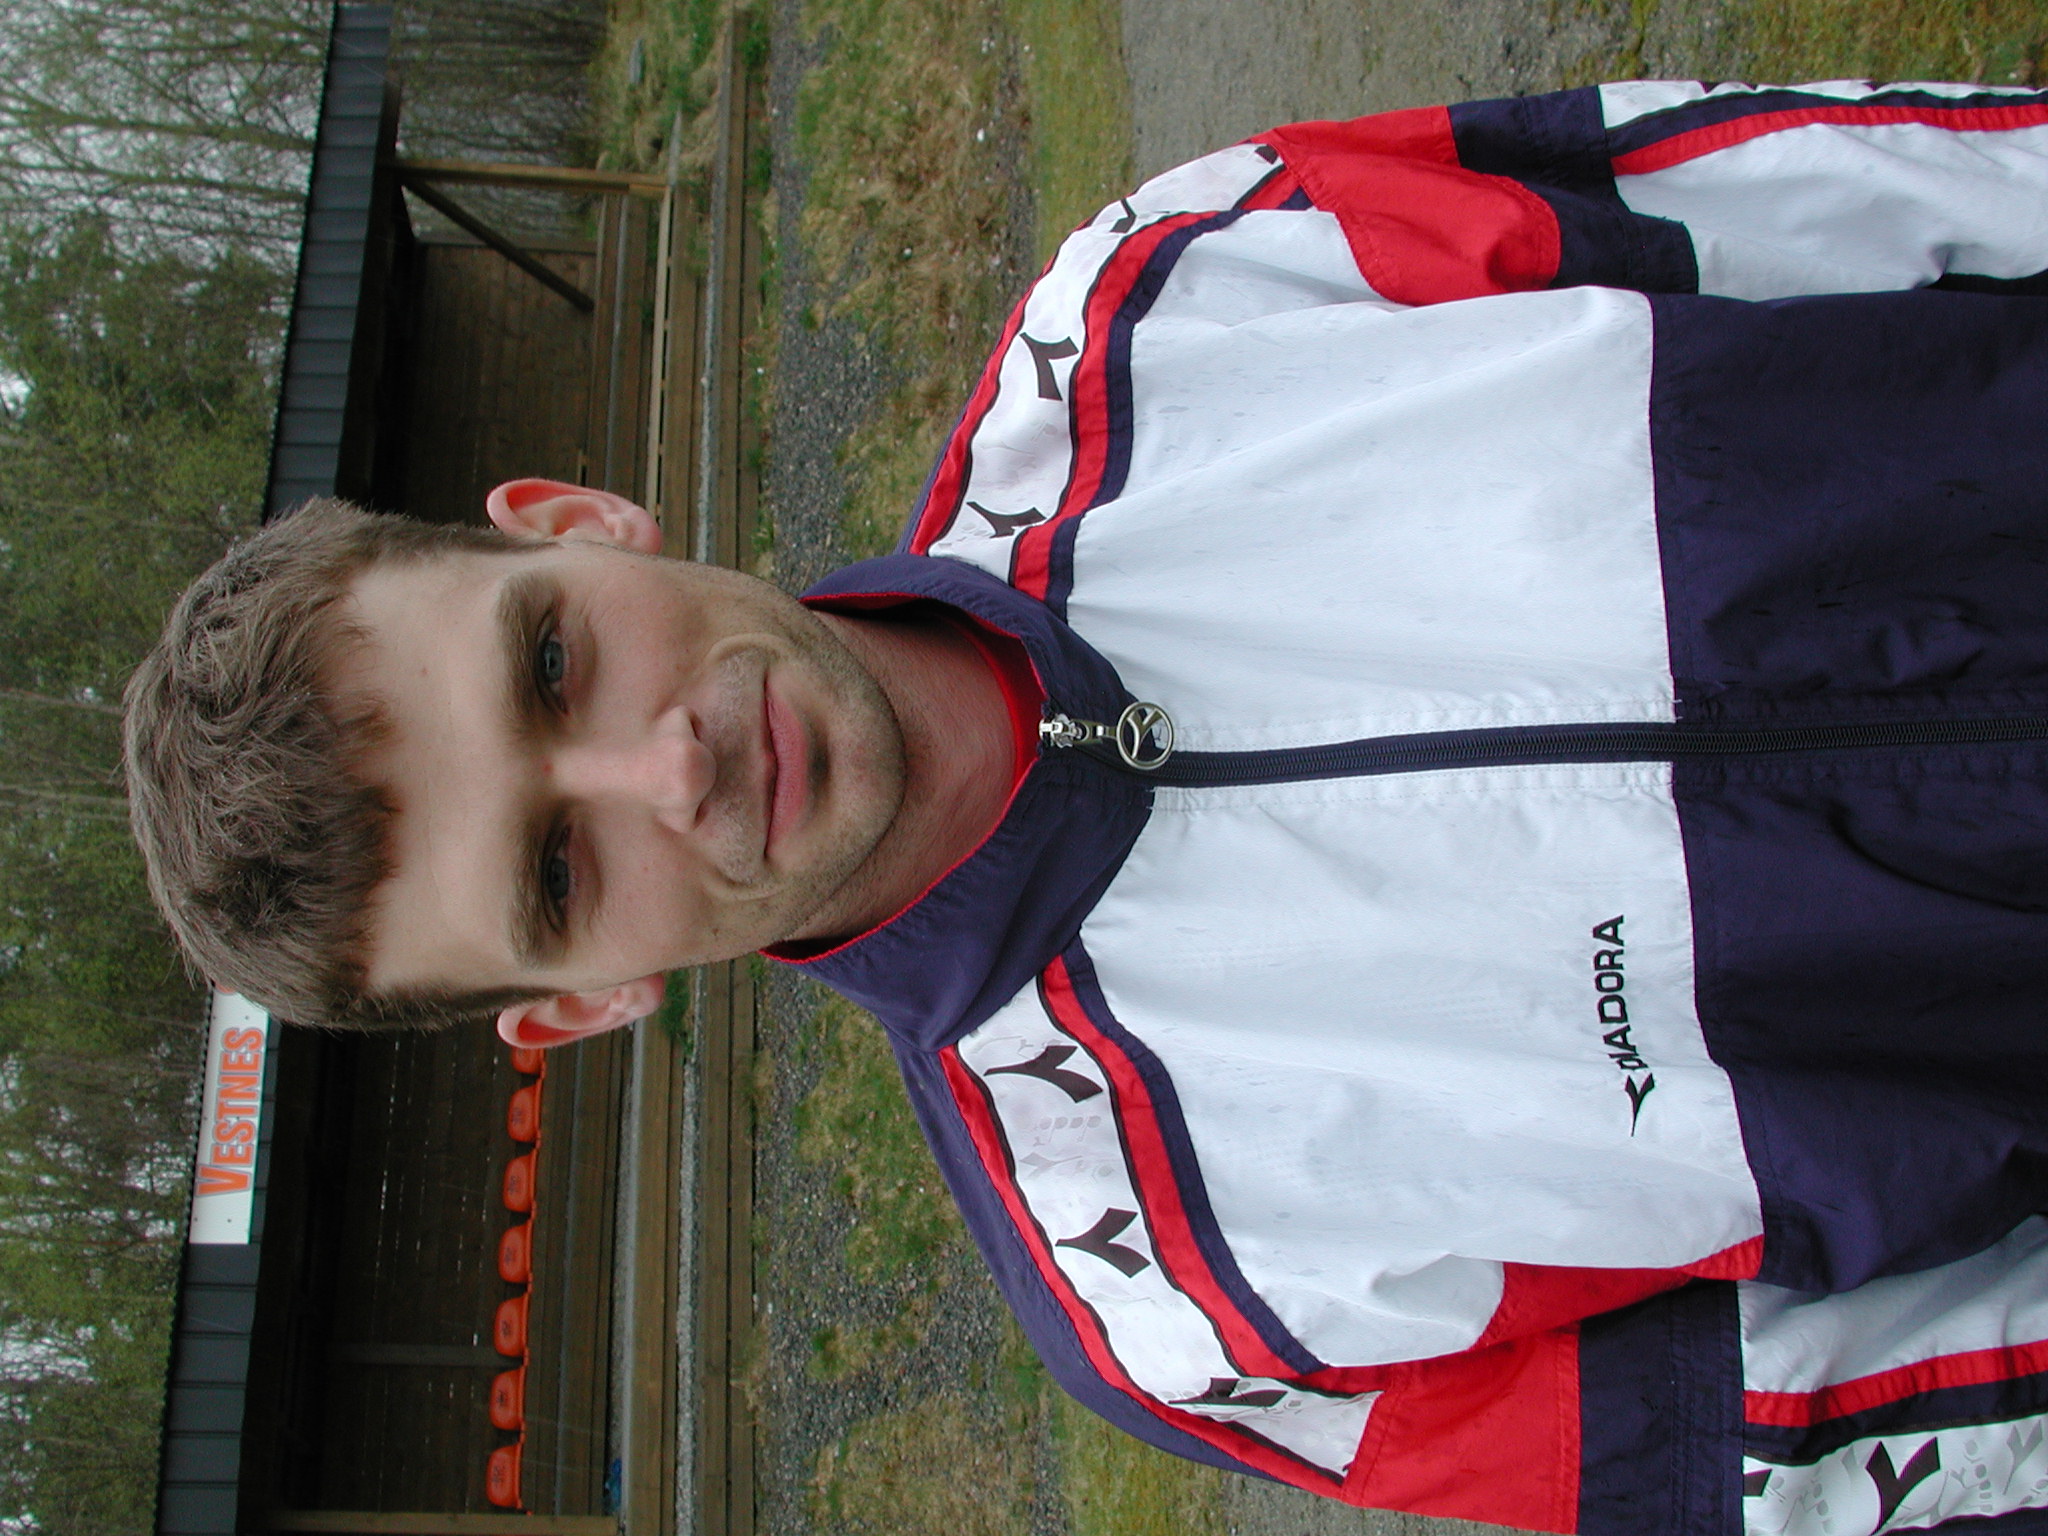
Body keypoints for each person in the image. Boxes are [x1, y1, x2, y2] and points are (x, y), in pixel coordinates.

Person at [126, 78, 2048, 1535]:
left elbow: (1849, 185)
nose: (669, 766)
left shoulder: (1177, 292)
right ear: (585, 1002)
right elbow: (1847, 1426)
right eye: (559, 869)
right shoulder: (1181, 1310)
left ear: (578, 523)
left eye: (552, 664)